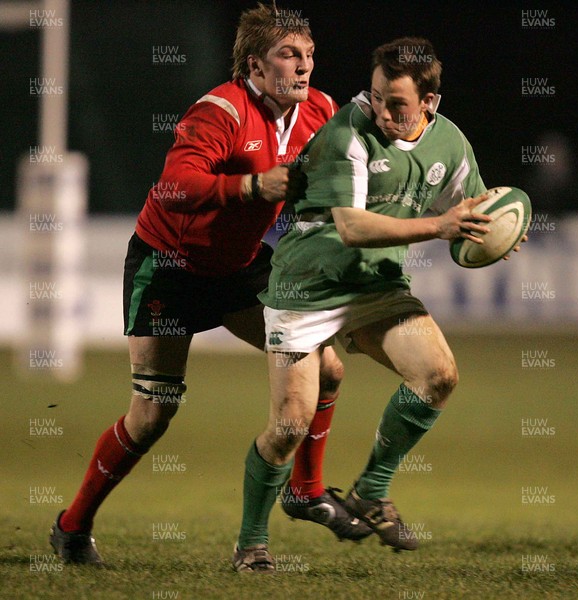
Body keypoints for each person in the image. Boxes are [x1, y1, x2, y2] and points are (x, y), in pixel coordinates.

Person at [49, 3, 371, 567]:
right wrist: (252, 187)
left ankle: (307, 491)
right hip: (169, 267)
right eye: (288, 55)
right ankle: (72, 527)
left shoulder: (319, 110)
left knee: (329, 367)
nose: (304, 66)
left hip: (241, 269)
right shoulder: (220, 111)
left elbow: (361, 162)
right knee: (152, 415)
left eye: (309, 55)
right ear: (254, 63)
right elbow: (176, 184)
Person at [234, 36, 527, 570]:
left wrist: (497, 232)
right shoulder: (348, 131)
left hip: (374, 287)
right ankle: (251, 544)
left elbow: (473, 214)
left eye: (398, 104)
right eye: (376, 96)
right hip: (308, 286)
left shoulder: (451, 145)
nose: (382, 111)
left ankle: (371, 491)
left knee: (438, 375)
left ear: (430, 104)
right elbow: (350, 227)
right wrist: (440, 225)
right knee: (289, 427)